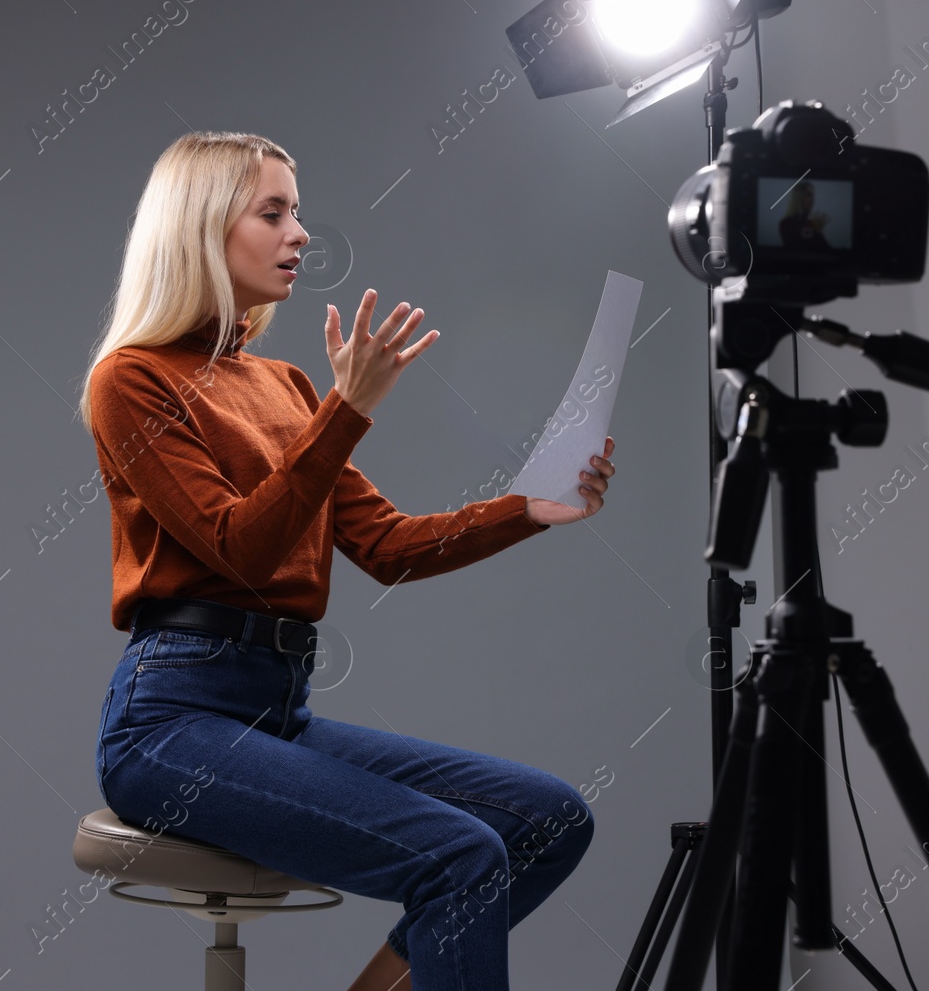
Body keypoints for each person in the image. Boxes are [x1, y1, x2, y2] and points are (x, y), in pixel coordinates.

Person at [76, 131, 616, 991]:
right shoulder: (130, 380)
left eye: (298, 212)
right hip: (172, 721)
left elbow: (389, 547)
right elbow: (237, 547)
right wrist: (348, 411)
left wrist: (529, 510)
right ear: (203, 228)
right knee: (460, 855)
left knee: (547, 820)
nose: (299, 234)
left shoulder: (286, 386)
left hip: (275, 709)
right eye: (273, 212)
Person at [775, 180, 832, 252]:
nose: (812, 199)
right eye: (808, 195)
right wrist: (817, 232)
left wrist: (818, 231)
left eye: (812, 195)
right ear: (799, 197)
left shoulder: (811, 222)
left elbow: (827, 252)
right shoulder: (786, 224)